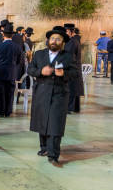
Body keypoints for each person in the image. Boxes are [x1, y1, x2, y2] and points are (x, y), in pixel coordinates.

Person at [28, 26, 77, 167]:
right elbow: (30, 69)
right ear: (48, 40)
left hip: (59, 93)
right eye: (53, 38)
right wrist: (40, 71)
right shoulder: (38, 54)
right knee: (42, 120)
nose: (55, 41)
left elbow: (75, 73)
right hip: (42, 92)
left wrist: (64, 74)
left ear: (62, 42)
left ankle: (53, 154)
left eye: (58, 39)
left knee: (55, 123)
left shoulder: (68, 56)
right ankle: (44, 148)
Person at [0, 24, 21, 117]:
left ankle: (1, 111)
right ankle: (8, 111)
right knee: (10, 93)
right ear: (12, 35)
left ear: (3, 34)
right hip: (11, 73)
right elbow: (19, 60)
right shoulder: (17, 47)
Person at [63, 23, 83, 113]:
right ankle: (75, 107)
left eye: (66, 31)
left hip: (72, 67)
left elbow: (69, 56)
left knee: (71, 87)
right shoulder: (75, 41)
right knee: (75, 87)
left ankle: (69, 108)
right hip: (75, 67)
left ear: (71, 32)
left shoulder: (72, 42)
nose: (65, 33)